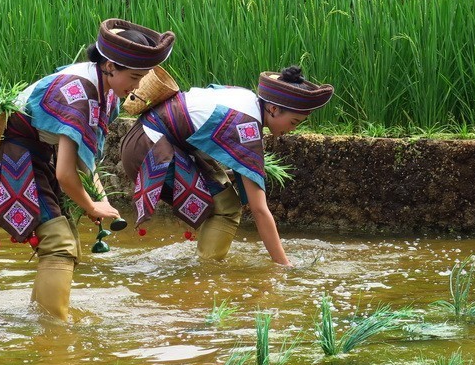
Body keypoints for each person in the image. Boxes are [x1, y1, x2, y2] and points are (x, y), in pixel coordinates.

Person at [0, 19, 175, 321]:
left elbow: (84, 161)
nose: (137, 87)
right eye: (134, 77)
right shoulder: (81, 93)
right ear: (110, 66)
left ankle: (41, 319)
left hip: (36, 154)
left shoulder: (103, 91)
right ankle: (53, 329)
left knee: (65, 240)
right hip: (15, 157)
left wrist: (100, 199)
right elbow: (65, 173)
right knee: (59, 244)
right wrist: (91, 206)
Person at [119, 66, 333, 267]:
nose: (293, 129)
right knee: (227, 207)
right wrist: (283, 265)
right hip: (149, 150)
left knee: (222, 190)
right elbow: (259, 210)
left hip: (143, 138)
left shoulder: (245, 96)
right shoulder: (247, 126)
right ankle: (205, 272)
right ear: (274, 109)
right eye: (294, 122)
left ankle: (203, 263)